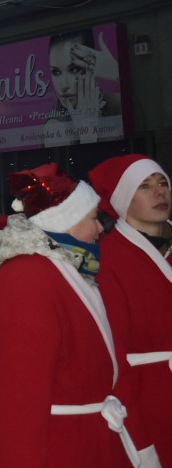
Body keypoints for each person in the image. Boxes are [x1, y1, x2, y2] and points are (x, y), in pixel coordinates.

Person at [0, 163, 155, 467]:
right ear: (66, 222)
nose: (101, 228)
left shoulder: (64, 273)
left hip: (88, 444)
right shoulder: (26, 280)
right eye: (92, 219)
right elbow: (15, 404)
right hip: (61, 449)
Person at [89, 155, 172, 464]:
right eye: (144, 186)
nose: (160, 192)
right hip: (146, 407)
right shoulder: (106, 261)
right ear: (124, 200)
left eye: (163, 183)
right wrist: (138, 438)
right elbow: (114, 356)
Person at [45, 29, 122, 144]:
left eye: (74, 69)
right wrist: (87, 135)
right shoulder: (56, 125)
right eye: (56, 72)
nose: (64, 86)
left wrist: (116, 71)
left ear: (92, 67)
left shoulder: (112, 103)